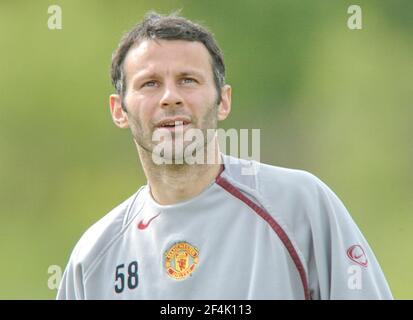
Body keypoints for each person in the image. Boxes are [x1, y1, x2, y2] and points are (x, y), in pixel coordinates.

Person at [57, 11, 392, 300]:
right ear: (119, 110)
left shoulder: (301, 205)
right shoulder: (94, 256)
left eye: (188, 80)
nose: (170, 97)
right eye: (150, 84)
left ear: (223, 101)